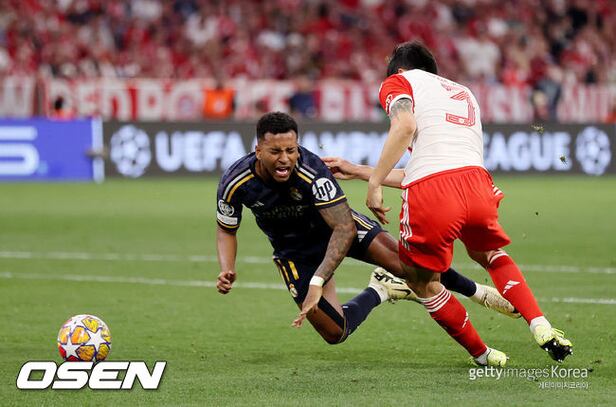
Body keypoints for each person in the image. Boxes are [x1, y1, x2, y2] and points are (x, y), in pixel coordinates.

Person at [216, 111, 517, 345]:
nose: (285, 159)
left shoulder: (311, 171)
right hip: (295, 252)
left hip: (339, 229)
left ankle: (477, 292)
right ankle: (381, 289)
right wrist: (227, 268)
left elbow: (343, 228)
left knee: (414, 266)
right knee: (335, 333)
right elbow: (226, 229)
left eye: (291, 150)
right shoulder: (235, 183)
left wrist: (319, 280)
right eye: (275, 152)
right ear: (258, 150)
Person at [362, 41, 572, 366]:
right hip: (478, 184)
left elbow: (405, 127)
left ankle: (484, 355)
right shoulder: (463, 92)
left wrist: (374, 182)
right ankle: (539, 323)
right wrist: (360, 171)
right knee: (489, 254)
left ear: (400, 70)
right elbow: (437, 164)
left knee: (421, 280)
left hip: (433, 191)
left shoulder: (399, 81)